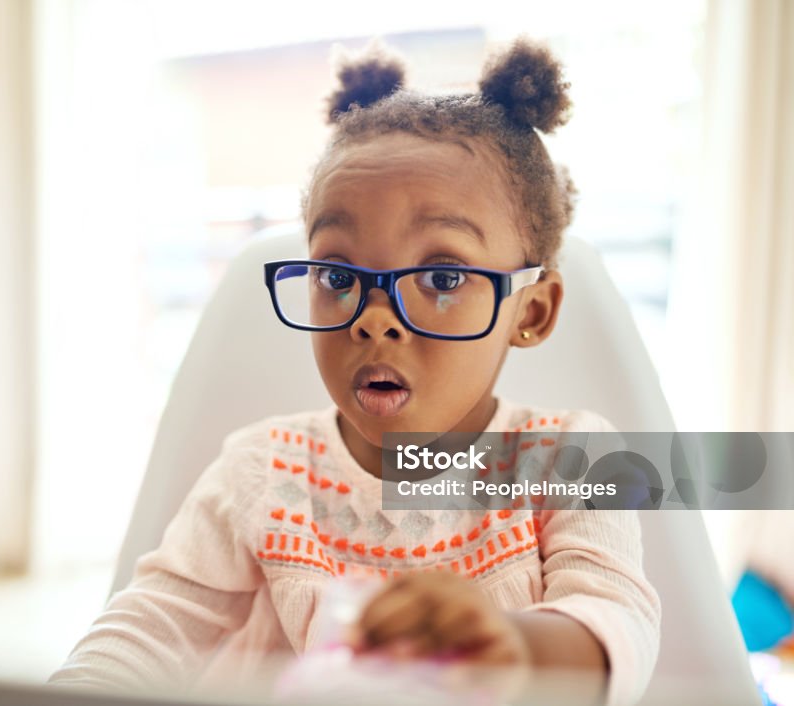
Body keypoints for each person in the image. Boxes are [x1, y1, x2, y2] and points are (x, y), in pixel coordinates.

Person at [49, 38, 661, 706]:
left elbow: (615, 619)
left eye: (443, 276)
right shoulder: (263, 471)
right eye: (338, 276)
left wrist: (517, 650)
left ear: (532, 313)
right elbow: (149, 629)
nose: (373, 318)